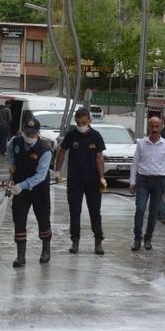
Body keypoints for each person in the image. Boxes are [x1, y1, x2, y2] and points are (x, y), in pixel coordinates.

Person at [54, 107, 107, 255]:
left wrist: (102, 177)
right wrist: (57, 171)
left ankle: (98, 242)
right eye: (78, 123)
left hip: (93, 180)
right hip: (75, 180)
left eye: (84, 122)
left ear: (89, 120)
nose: (81, 125)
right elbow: (62, 152)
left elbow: (99, 157)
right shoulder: (71, 135)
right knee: (74, 212)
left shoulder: (96, 136)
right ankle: (75, 241)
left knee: (95, 211)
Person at [7, 118, 53, 268]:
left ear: (38, 133)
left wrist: (23, 185)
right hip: (20, 190)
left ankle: (46, 250)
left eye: (33, 134)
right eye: (27, 133)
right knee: (19, 220)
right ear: (23, 131)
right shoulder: (15, 142)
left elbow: (40, 175)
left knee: (43, 220)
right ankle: (21, 256)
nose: (30, 136)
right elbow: (9, 153)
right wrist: (11, 164)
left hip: (39, 190)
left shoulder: (45, 149)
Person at [129, 116, 165, 251]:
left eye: (157, 127)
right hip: (143, 180)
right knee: (140, 209)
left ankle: (148, 238)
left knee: (154, 212)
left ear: (161, 127)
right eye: (152, 127)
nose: (154, 129)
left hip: (159, 181)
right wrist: (132, 182)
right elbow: (135, 163)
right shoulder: (141, 143)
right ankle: (137, 238)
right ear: (148, 127)